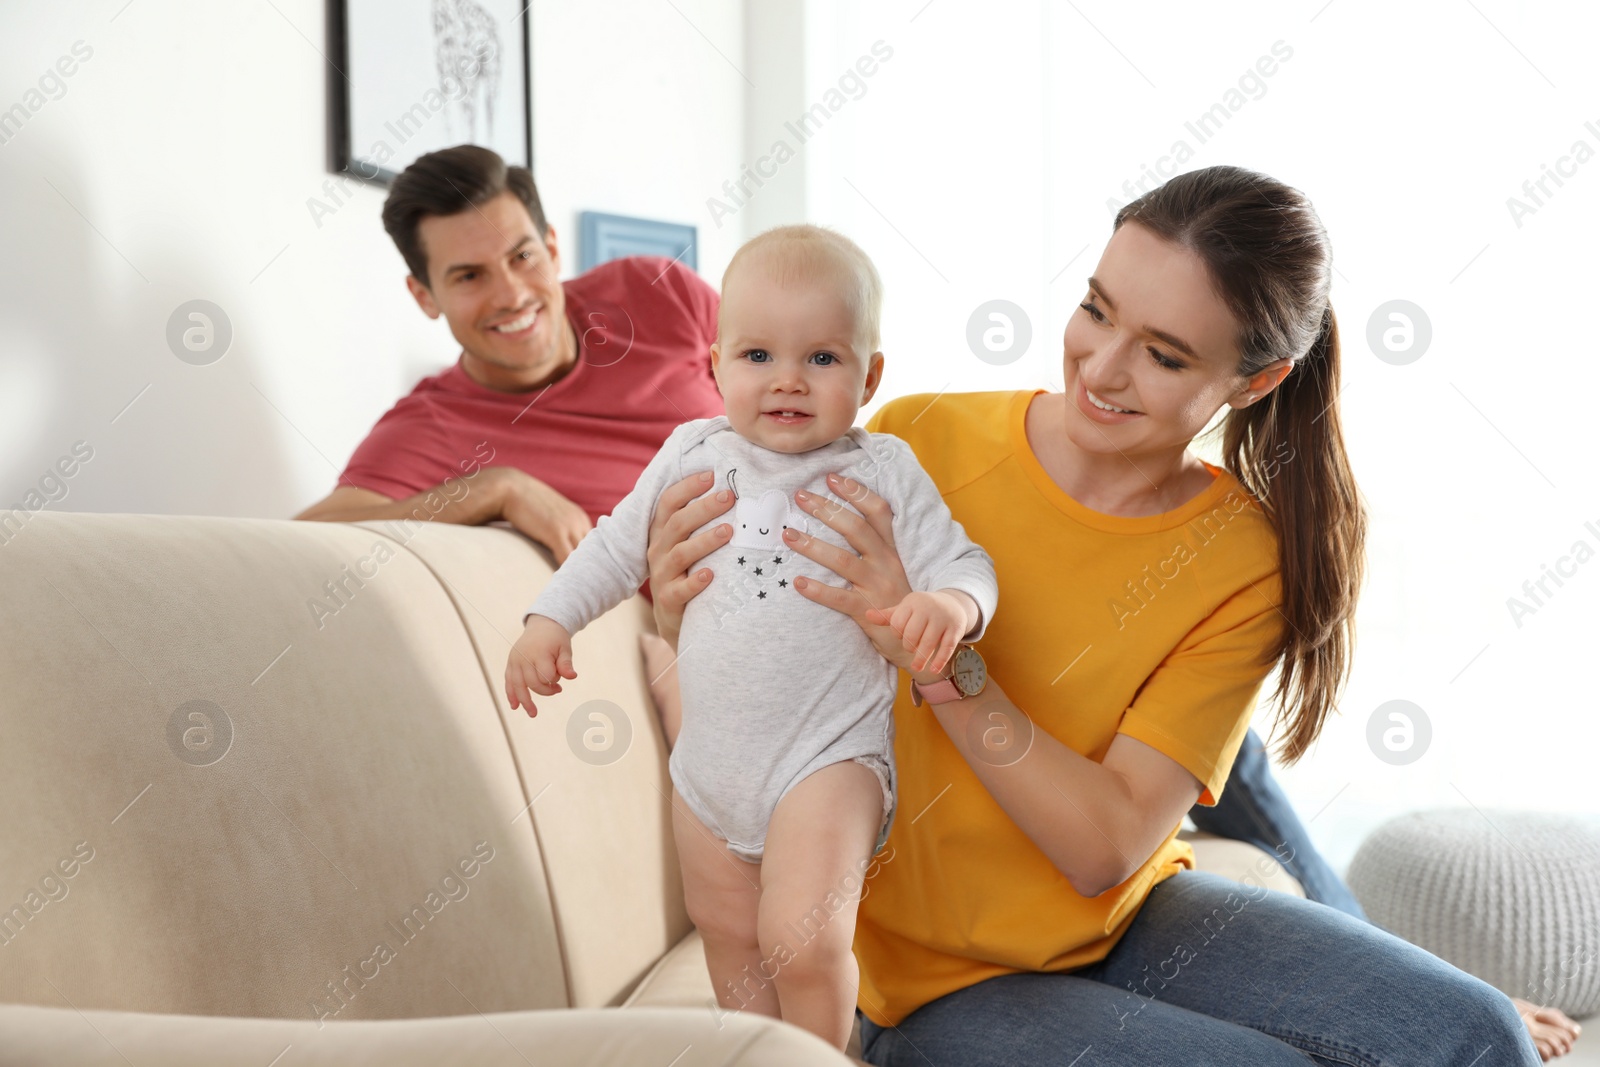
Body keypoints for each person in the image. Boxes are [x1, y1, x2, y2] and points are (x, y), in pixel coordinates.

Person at [639, 166, 1580, 1064]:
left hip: (1130, 917)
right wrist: (681, 606)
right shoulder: (910, 443)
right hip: (927, 983)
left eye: (1165, 355)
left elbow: (1102, 846)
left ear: (1253, 383)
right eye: (1096, 308)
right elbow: (754, 663)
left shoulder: (1245, 557)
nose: (1103, 366)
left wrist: (939, 662)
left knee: (1475, 1035)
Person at [505, 225, 1000, 1052]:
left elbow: (967, 560)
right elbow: (614, 544)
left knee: (803, 940)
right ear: (715, 365)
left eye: (823, 359)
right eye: (759, 355)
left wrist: (952, 604)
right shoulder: (689, 453)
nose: (788, 382)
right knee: (730, 938)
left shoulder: (884, 468)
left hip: (827, 757)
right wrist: (547, 619)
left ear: (870, 375)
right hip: (707, 769)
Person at [293, 144, 724, 565]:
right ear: (425, 296)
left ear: (552, 250)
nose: (512, 295)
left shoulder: (660, 293)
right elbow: (305, 537)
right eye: (469, 276)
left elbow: (784, 379)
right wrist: (496, 489)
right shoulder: (432, 426)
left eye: (522, 256)